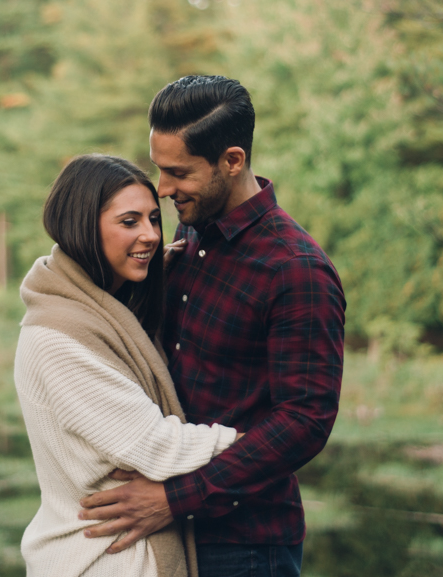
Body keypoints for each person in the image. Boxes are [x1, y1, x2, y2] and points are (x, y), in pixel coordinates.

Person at [77, 76, 347, 577]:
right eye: (160, 169)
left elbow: (304, 422)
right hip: (171, 533)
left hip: (245, 545)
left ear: (233, 160)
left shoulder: (295, 269)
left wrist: (174, 498)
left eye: (179, 172)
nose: (163, 188)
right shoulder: (189, 232)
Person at [16, 153, 241, 577]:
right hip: (102, 559)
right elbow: (156, 446)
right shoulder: (59, 336)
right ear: (83, 226)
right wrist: (255, 443)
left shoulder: (101, 312)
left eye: (154, 219)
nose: (151, 235)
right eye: (129, 221)